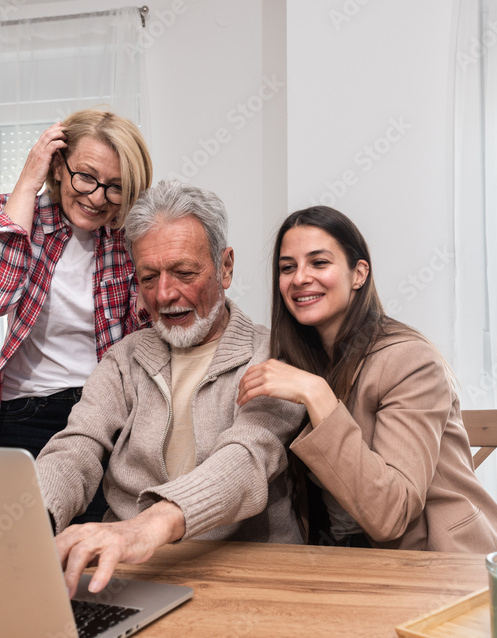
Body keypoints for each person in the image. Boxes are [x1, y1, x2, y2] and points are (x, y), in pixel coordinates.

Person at [35, 180, 304, 597]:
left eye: (184, 272)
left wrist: (146, 527)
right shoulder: (124, 358)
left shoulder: (275, 356)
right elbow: (78, 447)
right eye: (148, 277)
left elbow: (246, 458)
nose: (164, 294)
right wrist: (31, 519)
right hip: (130, 573)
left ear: (226, 266)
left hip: (244, 575)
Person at [236, 206, 497, 553]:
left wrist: (317, 394)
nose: (299, 278)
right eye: (287, 267)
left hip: (440, 564)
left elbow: (391, 514)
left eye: (319, 263)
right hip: (342, 562)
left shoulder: (409, 361)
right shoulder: (294, 364)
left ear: (359, 274)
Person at [0, 110, 152, 520]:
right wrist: (28, 180)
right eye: (85, 176)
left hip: (104, 417)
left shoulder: (130, 240)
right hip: (24, 412)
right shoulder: (23, 217)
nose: (98, 197)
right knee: (13, 549)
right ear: (58, 168)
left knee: (89, 556)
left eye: (116, 187)